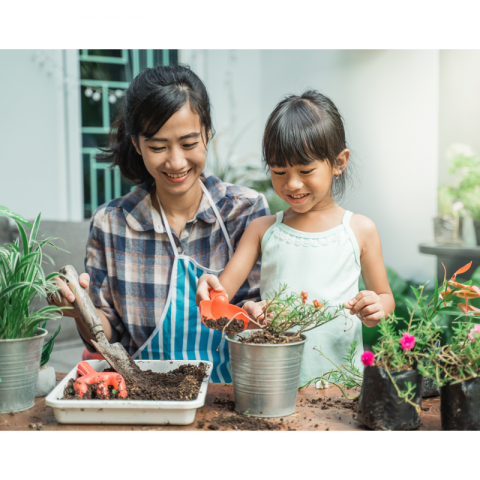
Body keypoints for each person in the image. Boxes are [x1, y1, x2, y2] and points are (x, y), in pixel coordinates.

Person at [49, 65, 269, 383]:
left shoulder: (247, 212)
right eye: (158, 147)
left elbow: (262, 305)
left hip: (233, 396)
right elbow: (107, 334)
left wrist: (259, 313)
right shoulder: (111, 224)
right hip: (147, 395)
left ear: (208, 133)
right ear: (137, 144)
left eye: (189, 143)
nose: (176, 162)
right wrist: (78, 308)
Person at [196, 90, 395, 382]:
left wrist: (377, 307)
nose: (292, 183)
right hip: (274, 384)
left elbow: (386, 298)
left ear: (339, 162)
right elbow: (216, 311)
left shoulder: (359, 230)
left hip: (342, 386)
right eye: (279, 171)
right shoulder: (262, 231)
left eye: (305, 170)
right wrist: (240, 313)